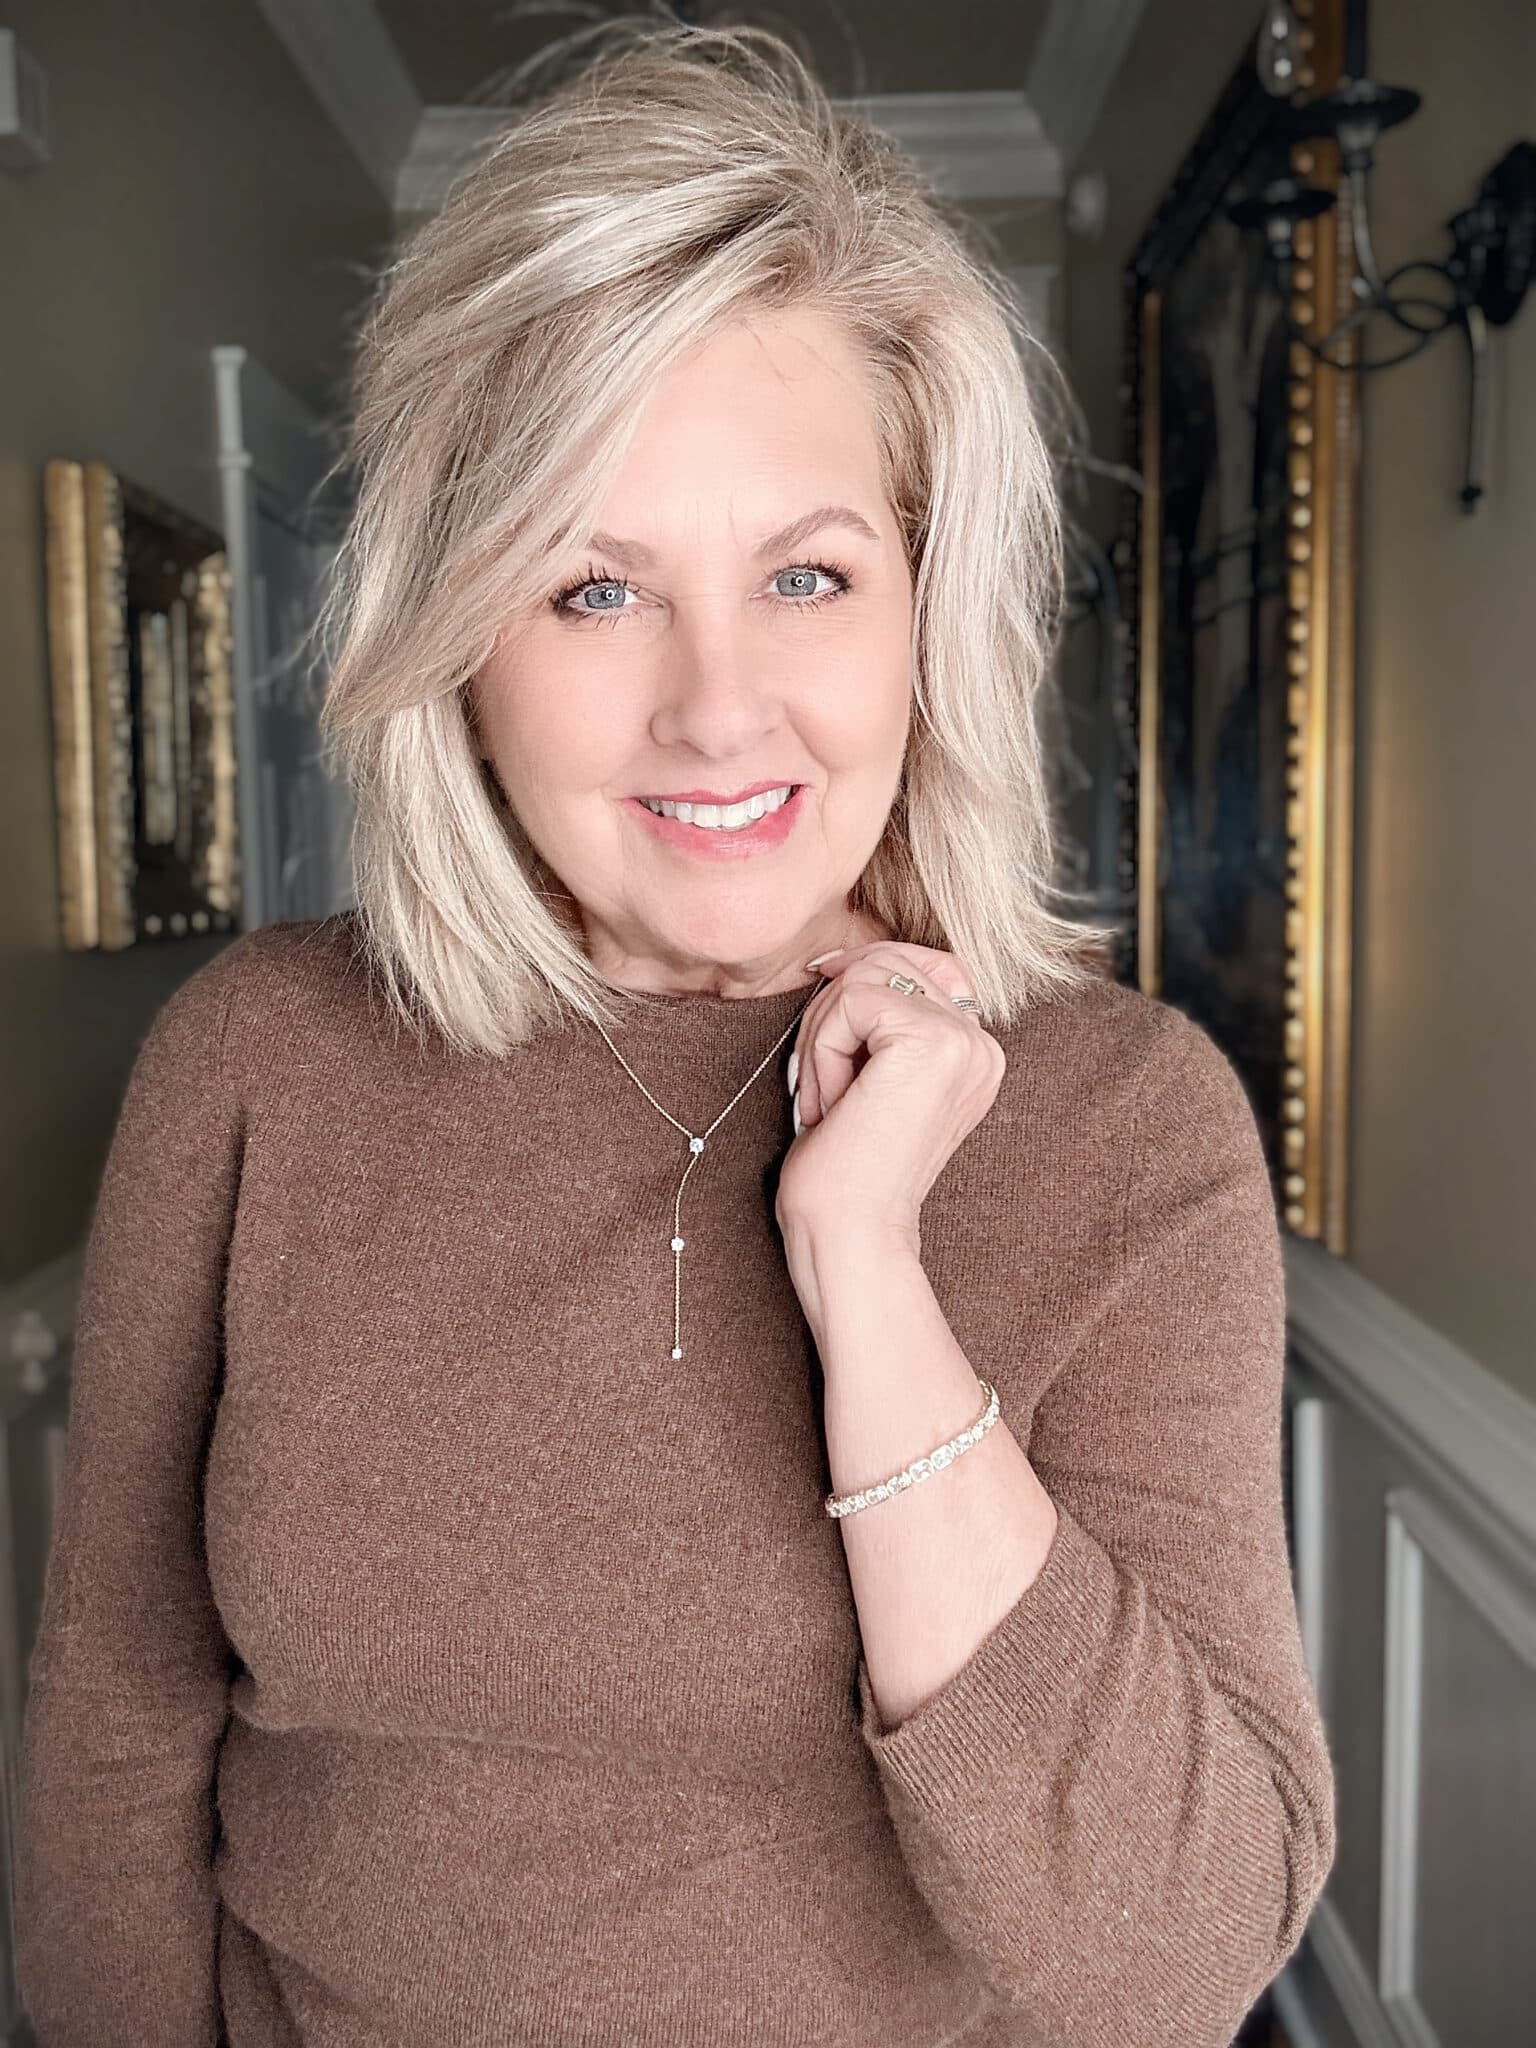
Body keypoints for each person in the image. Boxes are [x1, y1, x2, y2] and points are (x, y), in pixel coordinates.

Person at [13, 17, 1335, 2047]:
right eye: (594, 592)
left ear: (927, 605)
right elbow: (117, 1717)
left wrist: (870, 1272)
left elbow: (1172, 1958)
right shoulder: (256, 1058)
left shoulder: (1130, 1126)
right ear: (456, 645)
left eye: (807, 573)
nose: (719, 709)